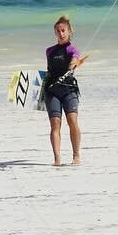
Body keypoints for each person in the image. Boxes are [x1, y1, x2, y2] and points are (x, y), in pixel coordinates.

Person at [44, 15, 85, 167]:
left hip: (69, 90)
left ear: (69, 32)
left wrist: (74, 64)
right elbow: (48, 72)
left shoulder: (72, 49)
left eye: (63, 31)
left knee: (72, 121)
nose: (61, 34)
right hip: (52, 91)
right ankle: (57, 158)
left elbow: (75, 58)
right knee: (55, 125)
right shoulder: (49, 51)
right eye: (58, 31)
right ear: (55, 33)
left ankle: (76, 155)